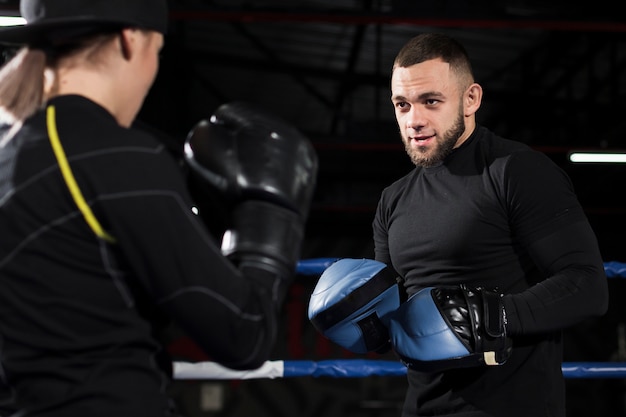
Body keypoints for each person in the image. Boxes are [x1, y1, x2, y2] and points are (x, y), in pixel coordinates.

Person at [0, 1, 317, 416]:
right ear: (131, 41)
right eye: (157, 51)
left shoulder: (13, 153)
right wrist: (269, 211)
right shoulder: (115, 156)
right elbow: (244, 335)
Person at [372, 32, 609, 416]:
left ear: (471, 99)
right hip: (421, 407)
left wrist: (494, 316)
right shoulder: (392, 199)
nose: (414, 119)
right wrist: (359, 317)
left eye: (431, 101)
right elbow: (392, 317)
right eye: (402, 105)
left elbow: (588, 285)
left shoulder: (516, 172)